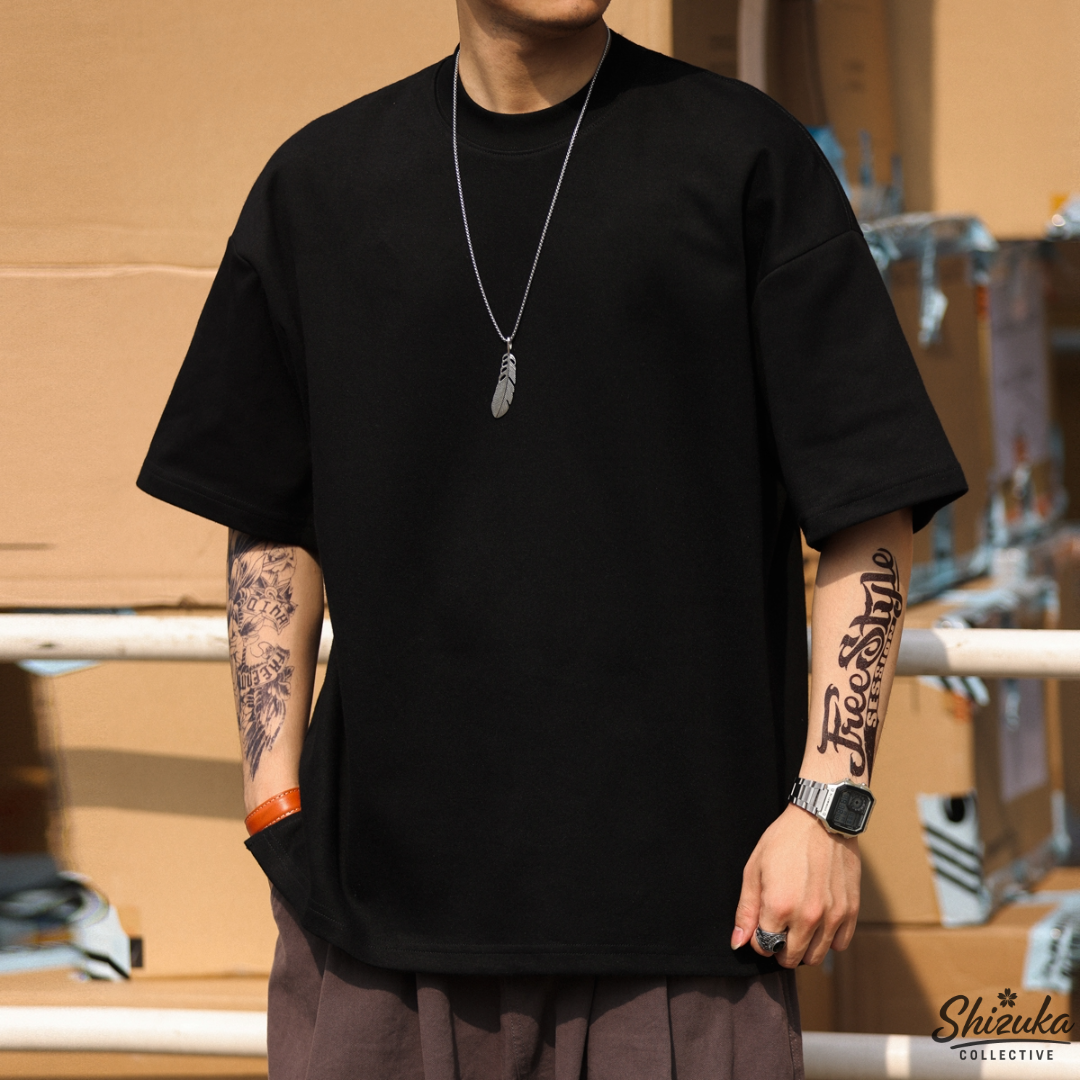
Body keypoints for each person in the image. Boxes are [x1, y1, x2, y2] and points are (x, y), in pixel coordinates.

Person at [137, 1, 967, 1076]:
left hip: (690, 929)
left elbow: (871, 506)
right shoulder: (322, 184)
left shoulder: (744, 159)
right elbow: (268, 519)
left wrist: (828, 808)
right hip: (377, 924)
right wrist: (273, 799)